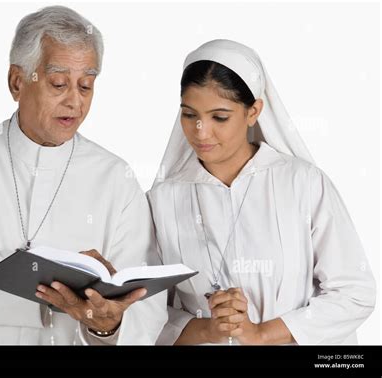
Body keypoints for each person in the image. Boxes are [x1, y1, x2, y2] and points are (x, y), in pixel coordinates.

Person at [0, 5, 167, 345]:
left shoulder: (115, 177)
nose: (75, 101)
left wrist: (106, 325)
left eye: (86, 85)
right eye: (59, 83)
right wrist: (50, 284)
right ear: (17, 82)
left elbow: (143, 310)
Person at [147, 39, 376, 345]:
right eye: (189, 115)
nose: (201, 131)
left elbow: (355, 292)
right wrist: (209, 329)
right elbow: (143, 310)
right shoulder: (162, 199)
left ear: (253, 111)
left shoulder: (303, 183)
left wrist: (261, 333)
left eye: (219, 117)